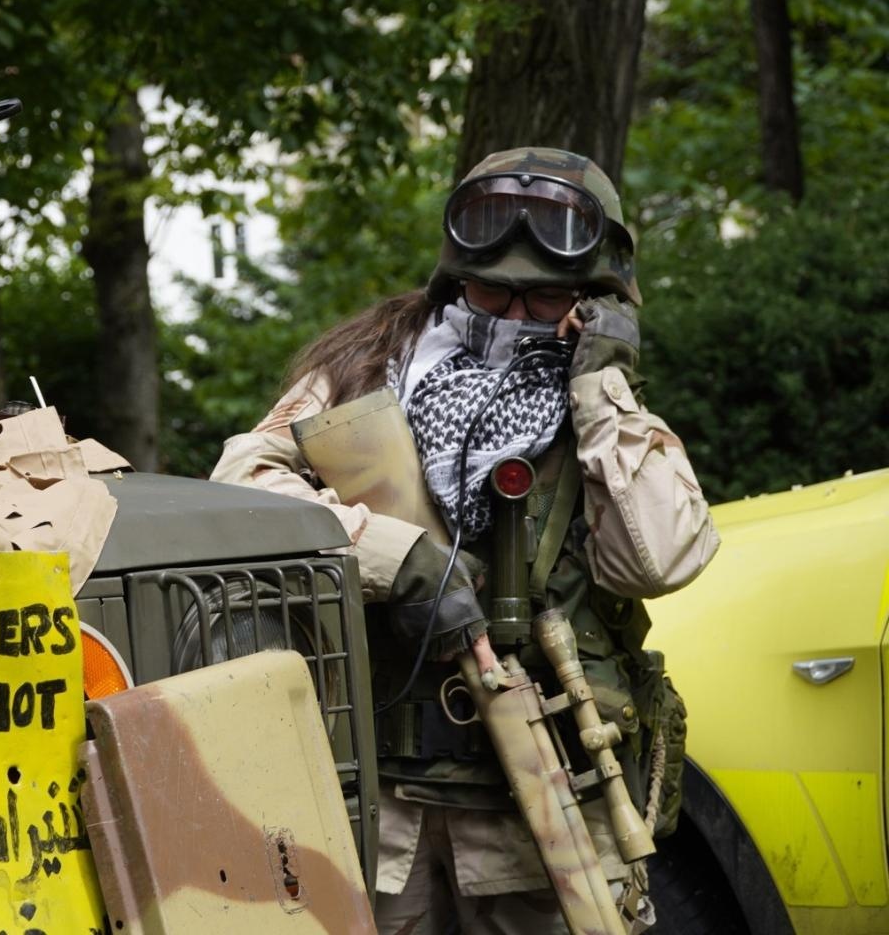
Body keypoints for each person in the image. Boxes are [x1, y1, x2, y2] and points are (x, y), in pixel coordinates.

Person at [211, 147, 720, 934]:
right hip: (387, 807)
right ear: (455, 276)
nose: (512, 317)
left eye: (544, 299)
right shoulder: (371, 362)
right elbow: (242, 480)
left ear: (595, 297)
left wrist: (598, 385)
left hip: (545, 807)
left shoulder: (603, 404)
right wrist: (396, 560)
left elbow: (661, 557)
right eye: (491, 290)